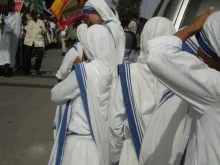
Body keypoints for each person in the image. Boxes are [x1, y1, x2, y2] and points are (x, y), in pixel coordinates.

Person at [109, 17, 189, 165]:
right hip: (170, 154)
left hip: (132, 154)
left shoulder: (128, 74)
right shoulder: (183, 76)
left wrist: (113, 159)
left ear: (144, 38)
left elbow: (115, 124)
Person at [145, 8, 220, 165]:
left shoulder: (214, 88)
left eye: (204, 46)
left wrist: (192, 27)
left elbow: (158, 54)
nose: (198, 52)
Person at [48, 24, 118, 165]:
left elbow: (56, 95)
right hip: (100, 147)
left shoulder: (85, 71)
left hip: (78, 147)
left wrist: (77, 70)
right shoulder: (113, 72)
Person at [23, 10, 45, 75]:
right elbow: (23, 16)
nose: (35, 16)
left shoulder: (41, 22)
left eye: (36, 14)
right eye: (33, 14)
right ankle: (27, 70)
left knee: (40, 54)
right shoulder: (28, 21)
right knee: (27, 56)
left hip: (38, 41)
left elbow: (44, 32)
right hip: (29, 41)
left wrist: (45, 41)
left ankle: (37, 68)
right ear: (31, 15)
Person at [0, 3, 15, 77]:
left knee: (6, 55)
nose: (4, 9)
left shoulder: (11, 17)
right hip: (0, 38)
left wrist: (5, 24)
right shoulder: (0, 16)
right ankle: (1, 71)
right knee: (0, 55)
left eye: (6, 7)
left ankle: (6, 71)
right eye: (3, 7)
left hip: (6, 39)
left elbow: (11, 28)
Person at [8, 0, 21, 76]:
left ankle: (10, 68)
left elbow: (20, 26)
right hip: (6, 37)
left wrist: (19, 35)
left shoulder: (17, 15)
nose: (12, 7)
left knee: (12, 52)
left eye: (14, 5)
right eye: (11, 5)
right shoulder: (5, 14)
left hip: (14, 36)